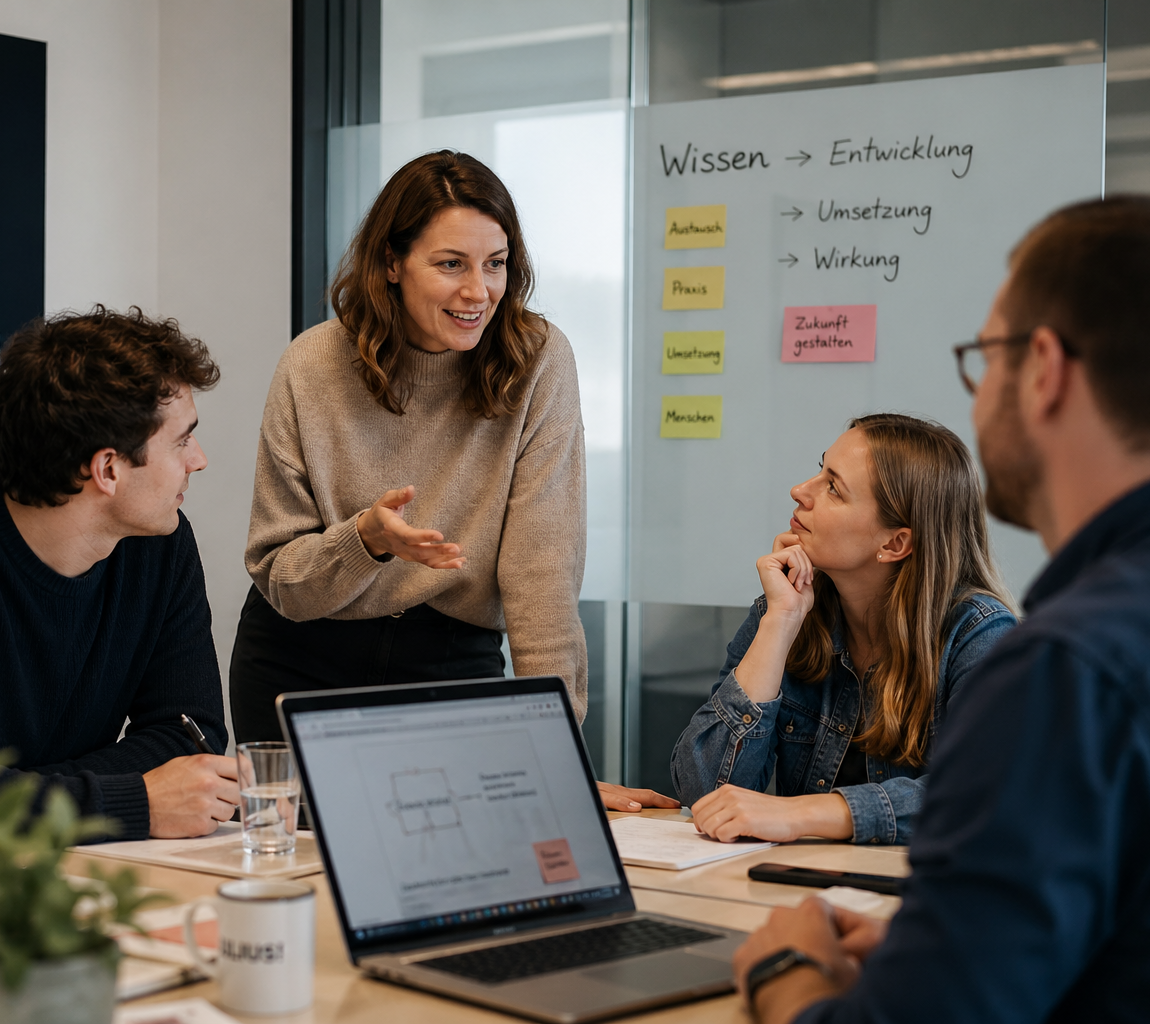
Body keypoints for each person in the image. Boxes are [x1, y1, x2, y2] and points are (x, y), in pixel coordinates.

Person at [731, 195, 1150, 1023]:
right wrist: (950, 948)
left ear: (1044, 370)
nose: (977, 389)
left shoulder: (1064, 668)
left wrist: (786, 968)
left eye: (985, 357)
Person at [671, 414, 1016, 845]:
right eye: (821, 470)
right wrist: (780, 622)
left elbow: (990, 792)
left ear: (894, 544)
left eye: (833, 487)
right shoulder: (789, 611)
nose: (800, 491)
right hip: (807, 892)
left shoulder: (980, 637)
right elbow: (705, 792)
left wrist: (801, 814)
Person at [0, 307, 238, 840]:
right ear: (107, 469)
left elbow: (188, 736)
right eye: (181, 441)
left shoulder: (161, 544)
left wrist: (31, 794)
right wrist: (134, 801)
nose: (197, 460)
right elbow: (161, 786)